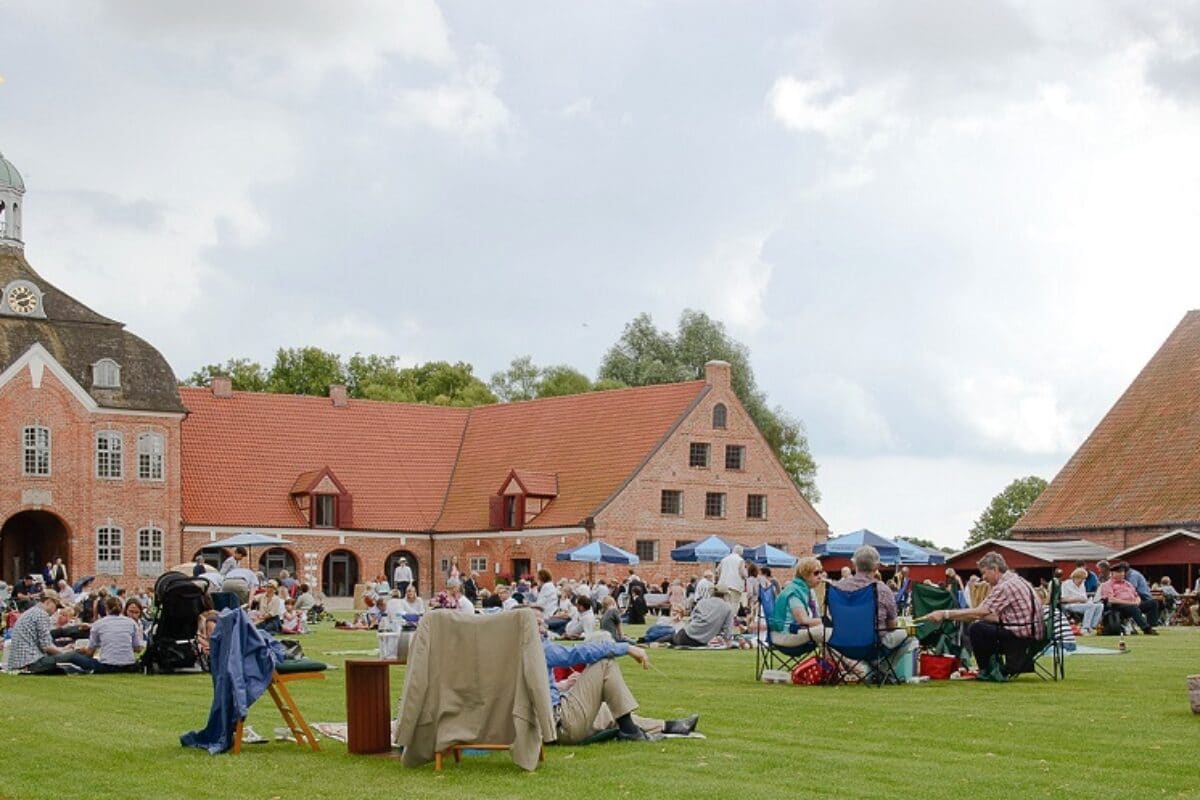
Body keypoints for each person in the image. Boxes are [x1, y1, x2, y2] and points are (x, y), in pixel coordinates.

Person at [533, 607, 699, 744]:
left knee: (608, 710)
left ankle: (668, 726)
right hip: (559, 726)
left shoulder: (513, 655)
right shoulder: (537, 649)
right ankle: (629, 731)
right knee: (606, 663)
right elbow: (577, 652)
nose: (543, 628)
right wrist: (626, 648)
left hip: (545, 725)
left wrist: (563, 686)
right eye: (538, 624)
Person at [923, 551, 1045, 678]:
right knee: (982, 623)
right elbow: (985, 614)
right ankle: (995, 666)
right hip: (1033, 633)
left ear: (995, 569)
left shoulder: (1004, 586)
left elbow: (980, 612)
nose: (983, 578)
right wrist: (971, 616)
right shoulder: (1018, 580)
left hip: (1022, 639)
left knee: (977, 628)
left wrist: (945, 614)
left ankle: (986, 670)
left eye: (984, 573)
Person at [838, 546, 915, 676]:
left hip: (845, 642)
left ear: (854, 564)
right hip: (873, 644)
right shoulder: (883, 590)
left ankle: (868, 669)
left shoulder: (840, 588)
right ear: (877, 566)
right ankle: (882, 670)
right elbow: (892, 625)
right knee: (908, 635)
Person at [3, 590, 95, 673]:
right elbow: (47, 647)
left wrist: (64, 649)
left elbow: (43, 645)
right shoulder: (41, 614)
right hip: (31, 663)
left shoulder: (31, 612)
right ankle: (100, 667)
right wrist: (66, 652)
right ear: (48, 602)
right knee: (73, 656)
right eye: (56, 606)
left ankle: (87, 669)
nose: (56, 611)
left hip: (21, 663)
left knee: (65, 667)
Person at [769, 557, 830, 647]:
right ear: (805, 574)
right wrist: (828, 621)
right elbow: (803, 620)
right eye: (816, 573)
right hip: (784, 635)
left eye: (821, 572)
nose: (820, 576)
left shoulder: (801, 589)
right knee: (826, 631)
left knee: (828, 631)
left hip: (791, 631)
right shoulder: (794, 592)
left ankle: (834, 660)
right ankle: (848, 661)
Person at [76, 597, 145, 673]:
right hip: (129, 665)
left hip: (107, 666)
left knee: (73, 656)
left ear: (107, 609)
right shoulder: (132, 624)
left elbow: (90, 652)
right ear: (122, 609)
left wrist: (80, 650)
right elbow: (138, 648)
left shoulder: (98, 624)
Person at [1099, 562, 1157, 635]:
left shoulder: (1127, 583)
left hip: (1133, 604)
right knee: (1133, 607)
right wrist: (1131, 603)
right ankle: (1146, 628)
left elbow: (1136, 595)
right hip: (1118, 607)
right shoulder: (1107, 584)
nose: (1122, 574)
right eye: (1119, 572)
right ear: (1113, 573)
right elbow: (1111, 599)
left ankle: (1151, 625)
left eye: (1123, 572)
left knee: (1153, 602)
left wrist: (1137, 601)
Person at [1061, 567, 1104, 634]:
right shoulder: (1065, 584)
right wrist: (1078, 599)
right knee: (1090, 606)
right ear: (1075, 577)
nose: (1082, 581)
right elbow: (1063, 599)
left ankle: (1093, 627)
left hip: (1082, 604)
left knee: (1100, 606)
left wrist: (1086, 600)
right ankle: (1085, 628)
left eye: (1084, 579)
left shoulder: (1082, 585)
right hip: (1069, 605)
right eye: (1081, 578)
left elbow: (1084, 597)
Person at [716, 545, 746, 615]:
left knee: (724, 604)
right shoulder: (740, 560)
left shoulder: (724, 559)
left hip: (722, 586)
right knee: (734, 605)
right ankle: (730, 622)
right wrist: (746, 577)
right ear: (741, 552)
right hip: (735, 586)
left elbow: (718, 571)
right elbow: (742, 573)